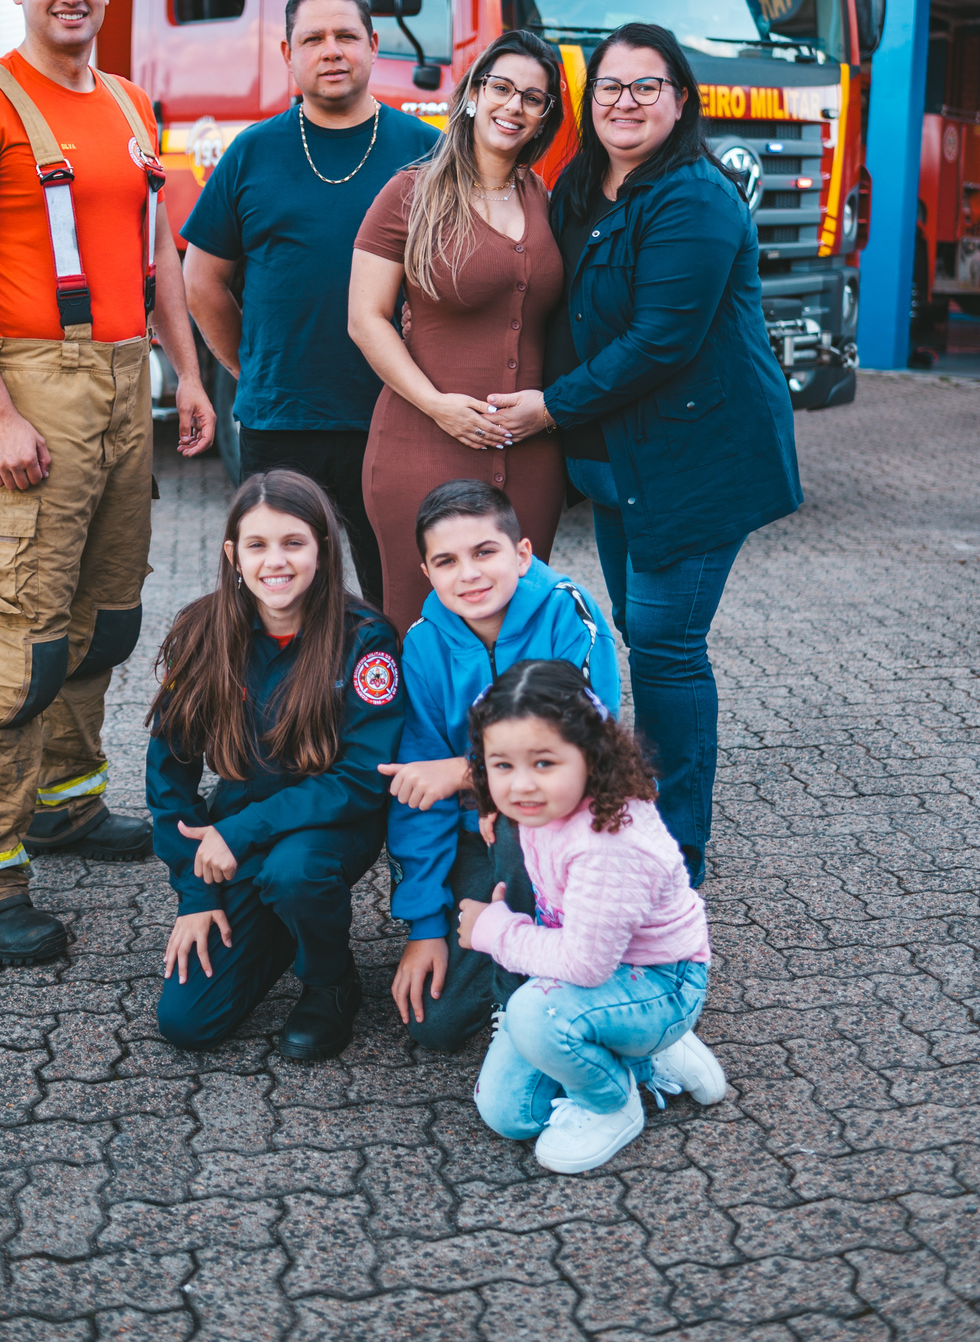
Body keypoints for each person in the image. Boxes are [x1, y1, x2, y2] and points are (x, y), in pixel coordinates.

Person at [0, 0, 214, 968]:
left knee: (103, 619)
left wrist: (187, 374)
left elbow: (156, 253)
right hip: (32, 383)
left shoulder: (128, 102)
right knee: (15, 635)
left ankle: (64, 803)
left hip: (124, 381)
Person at [488, 23, 801, 888]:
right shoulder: (582, 183)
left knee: (666, 646)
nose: (624, 102)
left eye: (645, 86)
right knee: (642, 632)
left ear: (680, 98)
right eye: (609, 87)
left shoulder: (695, 199)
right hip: (621, 466)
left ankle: (676, 855)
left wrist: (549, 406)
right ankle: (637, 821)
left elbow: (662, 340)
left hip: (694, 459)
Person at [181, 0, 437, 606]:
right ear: (287, 54)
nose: (331, 50)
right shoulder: (252, 153)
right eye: (313, 38)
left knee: (396, 601)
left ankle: (382, 678)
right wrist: (251, 366)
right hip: (281, 424)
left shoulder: (427, 152)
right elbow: (203, 281)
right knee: (283, 602)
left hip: (395, 416)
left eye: (346, 35)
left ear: (373, 45)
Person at [147, 469, 405, 1059]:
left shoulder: (366, 639)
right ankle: (287, 924)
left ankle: (330, 981)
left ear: (323, 550)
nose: (276, 561)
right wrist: (196, 894)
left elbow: (363, 778)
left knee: (294, 872)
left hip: (329, 827)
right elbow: (168, 776)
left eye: (294, 543)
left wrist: (240, 831)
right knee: (188, 1023)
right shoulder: (201, 632)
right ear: (233, 556)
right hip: (241, 836)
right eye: (257, 545)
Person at [458, 660, 726, 1175]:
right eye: (502, 765)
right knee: (510, 1113)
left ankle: (611, 1104)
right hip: (599, 975)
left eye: (544, 762)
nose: (521, 785)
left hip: (661, 982)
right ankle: (642, 1052)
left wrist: (495, 930)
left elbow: (584, 965)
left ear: (590, 754)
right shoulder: (547, 808)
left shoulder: (608, 844)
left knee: (533, 1013)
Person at [381, 479, 620, 1053]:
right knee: (434, 1024)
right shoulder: (423, 646)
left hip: (569, 834)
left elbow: (583, 751)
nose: (469, 574)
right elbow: (418, 792)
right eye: (447, 561)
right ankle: (533, 974)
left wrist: (466, 773)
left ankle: (535, 1014)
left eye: (485, 552)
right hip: (476, 841)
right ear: (427, 572)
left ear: (522, 553)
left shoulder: (568, 614)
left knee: (520, 812)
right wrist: (426, 927)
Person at [350, 30, 568, 635]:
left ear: (544, 116)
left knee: (520, 629)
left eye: (532, 97)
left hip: (531, 455)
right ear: (473, 93)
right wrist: (438, 406)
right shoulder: (410, 193)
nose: (513, 106)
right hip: (423, 445)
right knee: (420, 631)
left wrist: (553, 407)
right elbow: (365, 318)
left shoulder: (544, 197)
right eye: (501, 88)